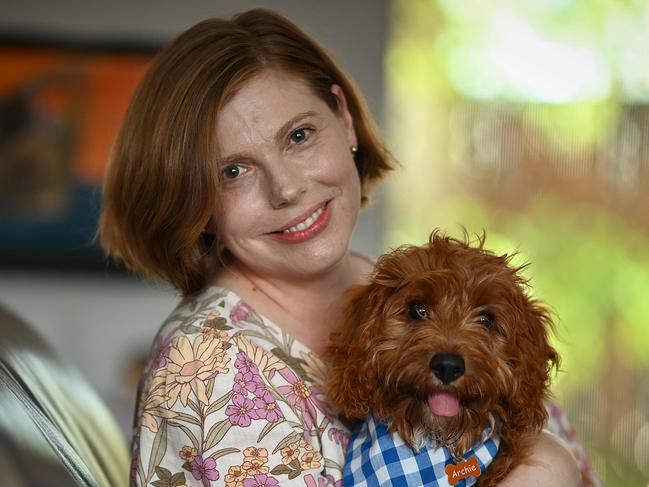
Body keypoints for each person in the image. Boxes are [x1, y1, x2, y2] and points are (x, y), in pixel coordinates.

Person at [100, 8, 594, 487]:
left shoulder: (404, 289)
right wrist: (544, 468)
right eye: (233, 171)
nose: (286, 189)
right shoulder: (211, 368)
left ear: (345, 120)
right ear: (194, 201)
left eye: (299, 135)